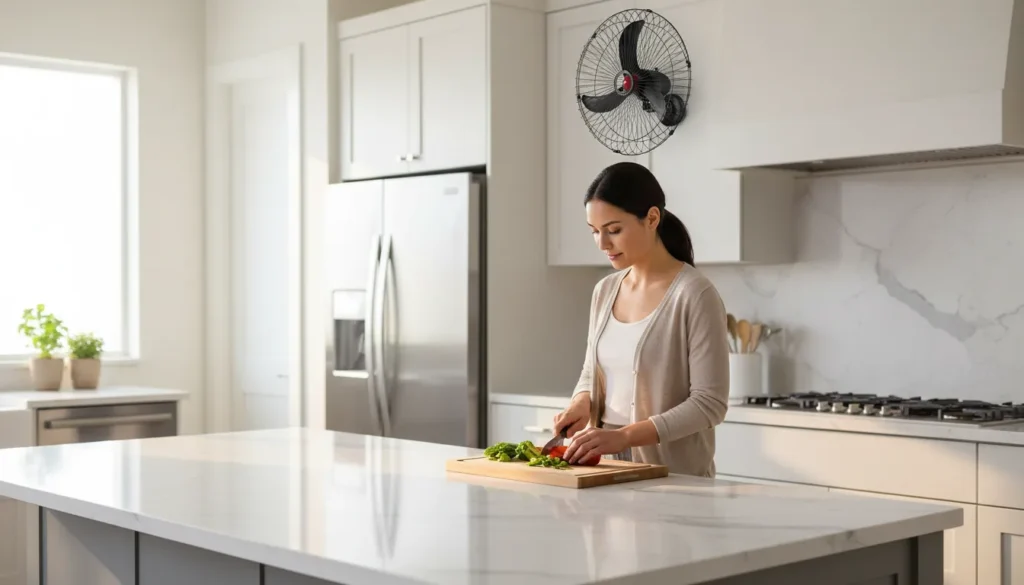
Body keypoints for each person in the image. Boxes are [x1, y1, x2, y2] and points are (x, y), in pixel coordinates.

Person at [555, 161, 731, 477]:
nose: (602, 244)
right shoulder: (605, 290)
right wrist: (582, 404)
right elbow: (591, 372)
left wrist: (624, 436)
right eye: (595, 232)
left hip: (672, 476)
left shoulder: (694, 294)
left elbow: (709, 404)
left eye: (614, 230)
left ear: (651, 218)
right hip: (603, 467)